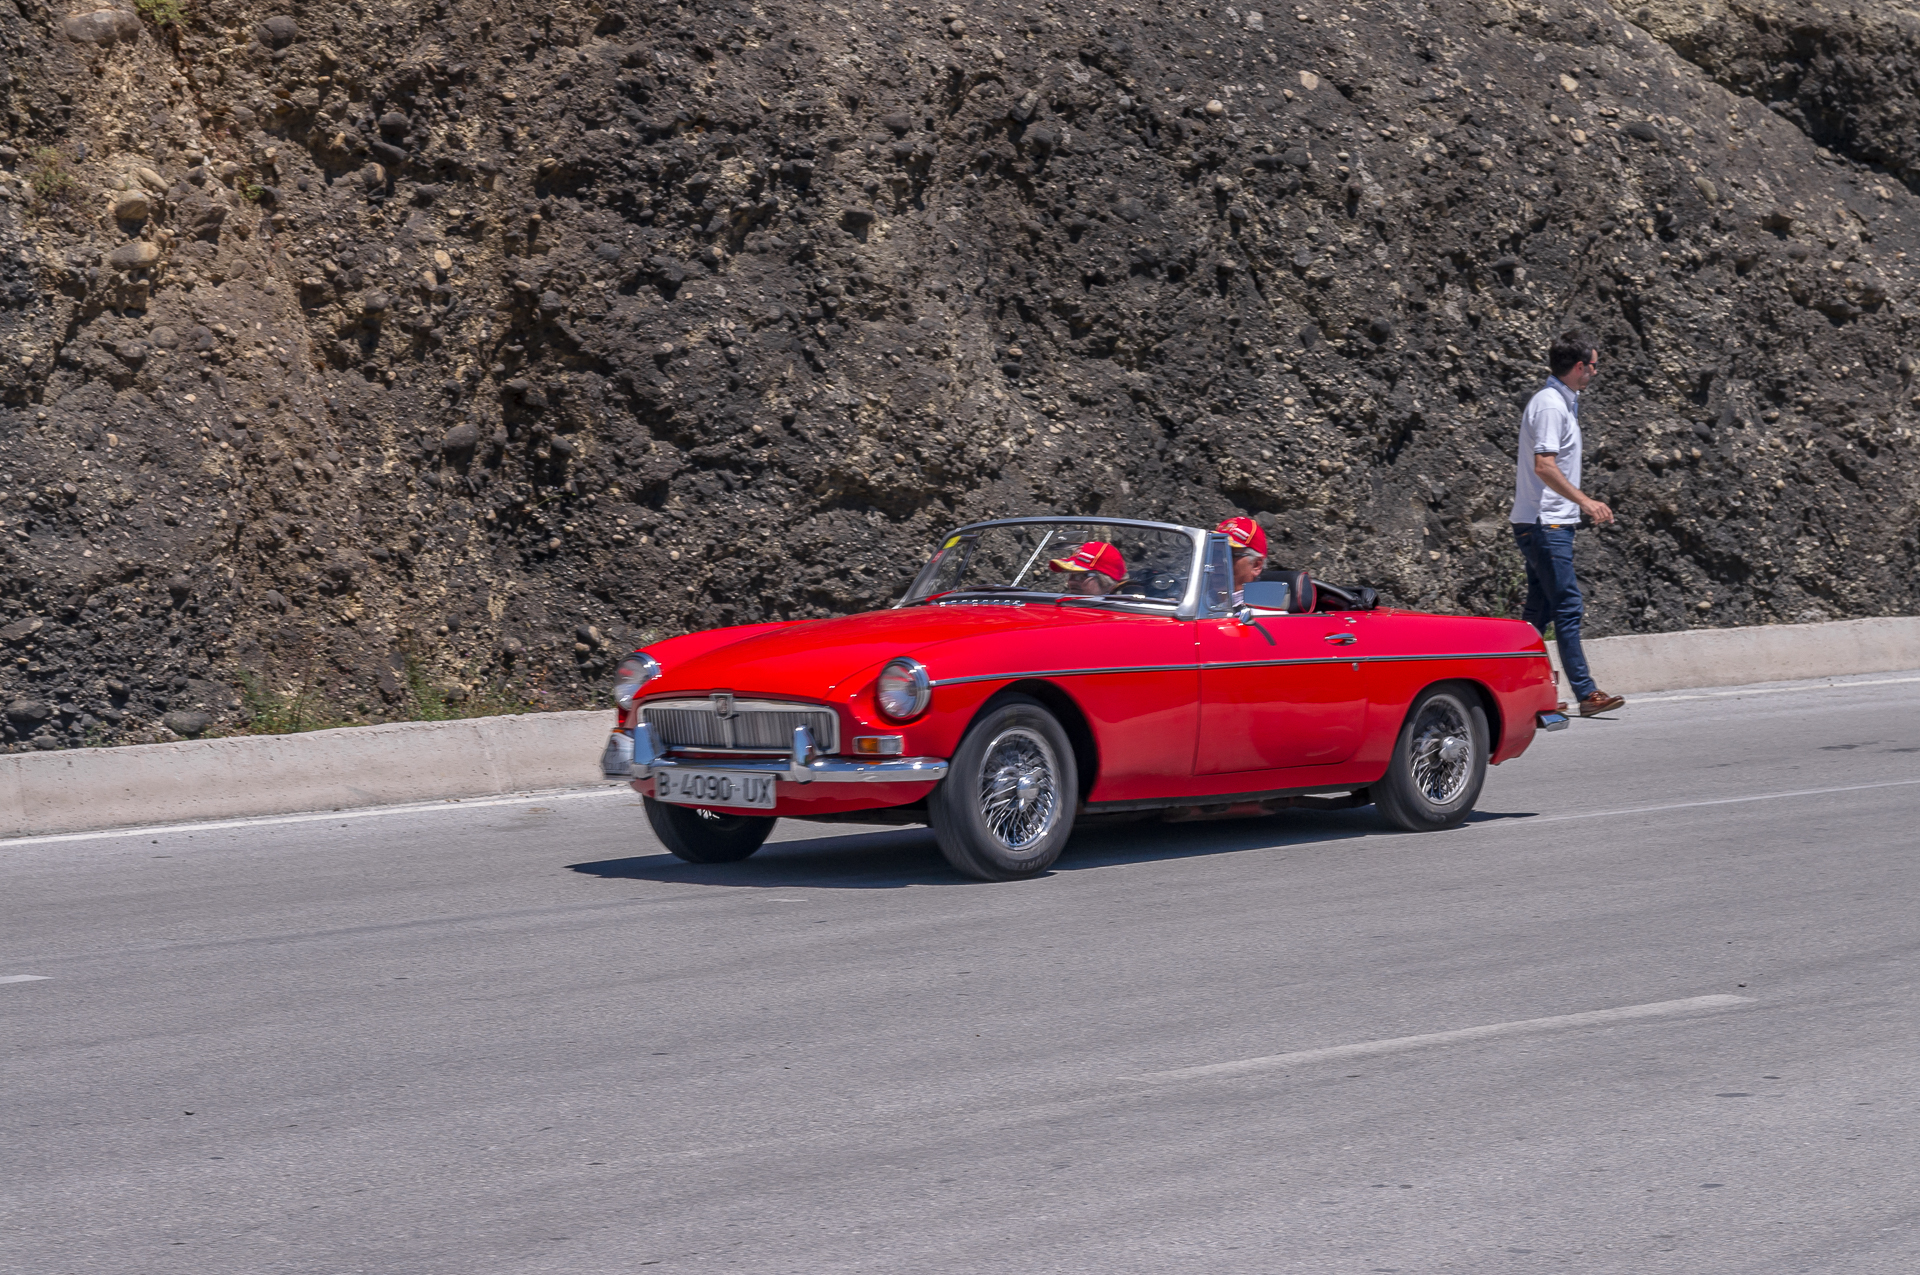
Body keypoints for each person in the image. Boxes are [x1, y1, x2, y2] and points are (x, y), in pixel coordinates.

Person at [1511, 330, 1626, 717]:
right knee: (1568, 605)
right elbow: (1543, 465)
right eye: (1593, 365)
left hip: (1547, 522)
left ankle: (1519, 693)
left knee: (1536, 616)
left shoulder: (1561, 402)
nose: (1595, 372)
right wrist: (1586, 501)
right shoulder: (1549, 405)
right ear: (1579, 367)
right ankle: (1586, 692)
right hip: (1547, 524)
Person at [1215, 516, 1268, 606]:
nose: (1216, 562)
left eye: (1229, 555)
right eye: (1214, 553)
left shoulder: (1261, 616)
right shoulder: (1190, 603)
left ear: (1256, 565)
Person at [1048, 540, 1126, 595]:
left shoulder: (1122, 615)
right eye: (1071, 575)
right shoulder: (1062, 608)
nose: (1071, 582)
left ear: (1108, 583)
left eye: (1084, 576)